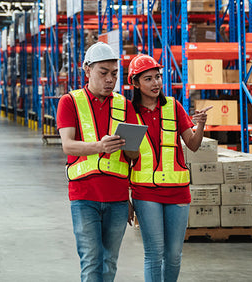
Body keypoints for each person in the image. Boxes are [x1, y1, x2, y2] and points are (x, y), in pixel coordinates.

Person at [56, 42, 140, 282]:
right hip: (84, 196)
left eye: (114, 74)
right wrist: (99, 147)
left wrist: (132, 147)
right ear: (87, 70)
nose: (109, 80)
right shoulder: (70, 102)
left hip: (117, 199)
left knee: (109, 263)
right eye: (103, 73)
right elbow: (68, 145)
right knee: (92, 261)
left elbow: (132, 157)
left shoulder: (125, 105)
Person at [126, 54, 211, 282]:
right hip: (146, 192)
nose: (156, 83)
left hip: (177, 191)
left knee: (174, 255)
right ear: (135, 83)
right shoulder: (129, 113)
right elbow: (126, 158)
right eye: (148, 79)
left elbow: (193, 145)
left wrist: (200, 126)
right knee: (154, 254)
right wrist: (126, 198)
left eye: (158, 77)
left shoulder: (173, 107)